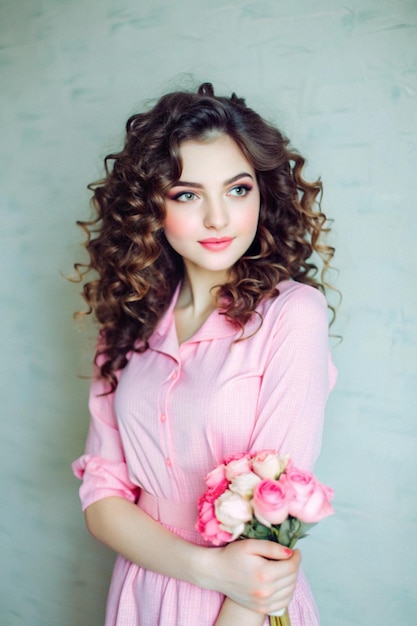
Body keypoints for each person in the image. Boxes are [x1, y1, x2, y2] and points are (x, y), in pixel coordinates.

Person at [72, 82, 337, 626]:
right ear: (151, 208)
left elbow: (276, 511)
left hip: (243, 606)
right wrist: (203, 567)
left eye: (237, 190)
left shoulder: (291, 315)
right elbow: (102, 497)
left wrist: (226, 584)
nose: (218, 218)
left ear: (263, 195)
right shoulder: (124, 330)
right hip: (143, 590)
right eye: (187, 194)